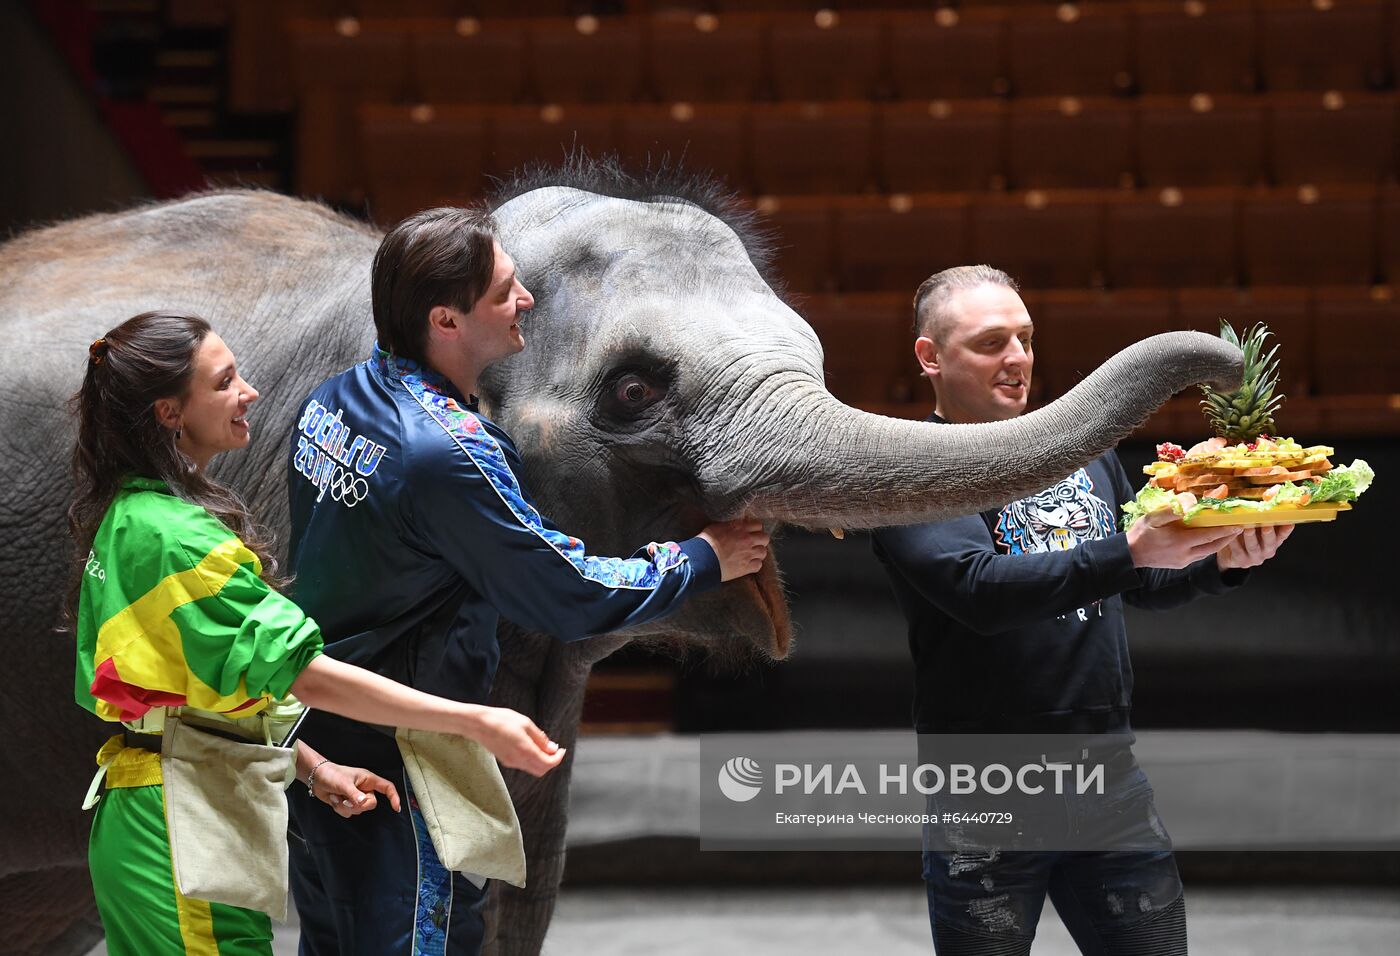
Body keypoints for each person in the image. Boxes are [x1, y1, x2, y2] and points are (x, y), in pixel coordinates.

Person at [284, 206, 769, 955]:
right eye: (505, 290)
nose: (527, 301)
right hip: (403, 771)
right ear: (446, 320)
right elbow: (570, 592)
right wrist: (704, 558)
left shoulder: (333, 400)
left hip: (323, 753)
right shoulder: (449, 450)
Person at [71, 310, 568, 956]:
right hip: (180, 828)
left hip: (161, 811)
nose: (248, 392)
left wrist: (310, 767)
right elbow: (303, 673)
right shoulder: (176, 538)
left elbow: (192, 698)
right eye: (223, 383)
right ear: (169, 413)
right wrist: (472, 721)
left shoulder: (134, 516)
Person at [872, 266, 1292, 955]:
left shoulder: (1084, 454)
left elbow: (1143, 582)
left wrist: (1222, 561)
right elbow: (981, 592)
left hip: (1108, 780)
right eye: (990, 343)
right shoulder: (906, 474)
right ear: (930, 357)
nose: (1017, 359)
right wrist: (1132, 550)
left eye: (1026, 339)